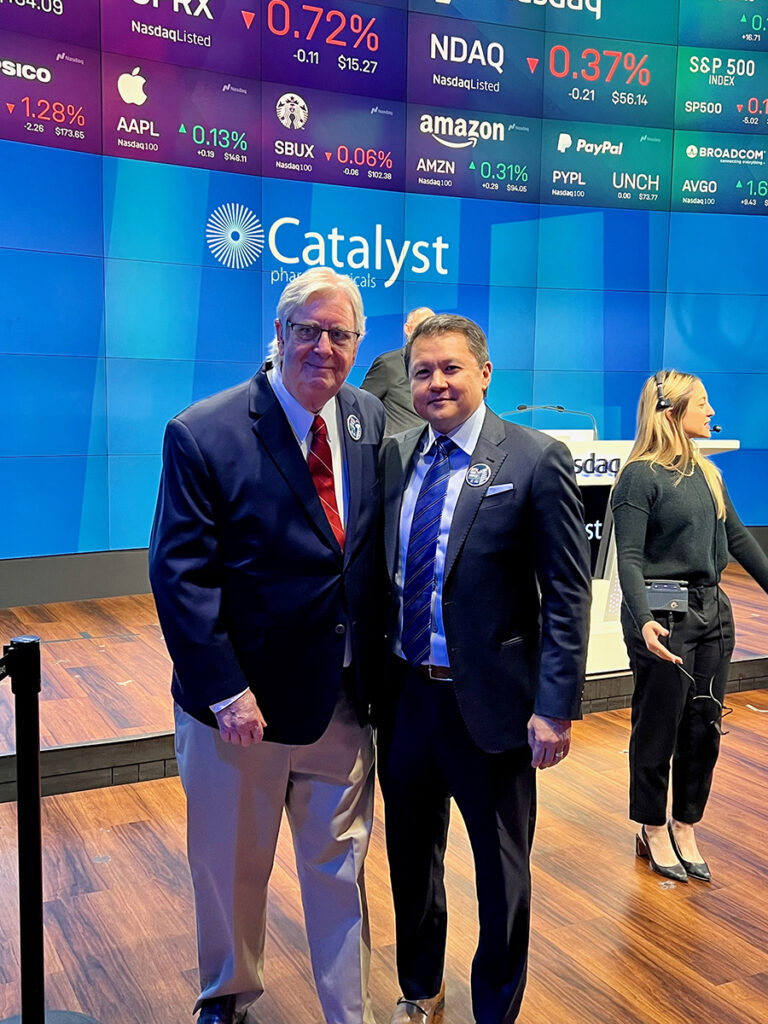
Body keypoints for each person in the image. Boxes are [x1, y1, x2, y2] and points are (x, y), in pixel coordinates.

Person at [148, 267, 385, 1024]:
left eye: (339, 334)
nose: (323, 347)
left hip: (340, 701)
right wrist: (225, 691)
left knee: (341, 869)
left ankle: (350, 1011)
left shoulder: (367, 419)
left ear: (357, 344)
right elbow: (180, 576)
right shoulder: (204, 432)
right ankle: (227, 994)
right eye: (308, 330)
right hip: (238, 710)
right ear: (279, 333)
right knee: (230, 865)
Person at [377, 314, 592, 1024]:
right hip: (407, 699)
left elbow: (567, 593)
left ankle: (495, 1008)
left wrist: (554, 706)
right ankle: (420, 988)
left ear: (485, 372)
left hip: (495, 708)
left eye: (451, 368)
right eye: (423, 371)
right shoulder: (396, 456)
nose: (436, 383)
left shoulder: (534, 457)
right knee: (411, 858)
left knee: (501, 873)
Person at [611, 370, 768, 883]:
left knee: (704, 726)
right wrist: (644, 620)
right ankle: (652, 826)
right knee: (658, 727)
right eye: (702, 402)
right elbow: (629, 558)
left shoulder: (708, 473)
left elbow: (739, 540)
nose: (711, 411)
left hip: (712, 612)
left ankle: (685, 824)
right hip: (662, 616)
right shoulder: (640, 476)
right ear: (671, 411)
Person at [360, 306, 434, 434]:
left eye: (433, 329)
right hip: (397, 444)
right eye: (424, 327)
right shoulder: (388, 364)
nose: (430, 334)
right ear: (408, 329)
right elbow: (361, 406)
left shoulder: (437, 370)